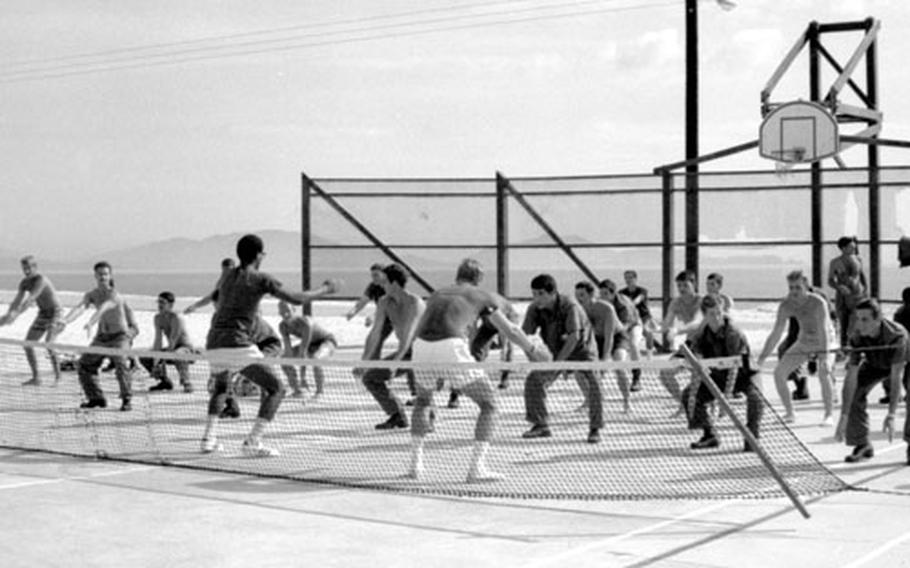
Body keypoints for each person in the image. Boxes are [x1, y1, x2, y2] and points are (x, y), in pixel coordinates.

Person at [406, 258, 550, 482]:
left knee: (423, 402)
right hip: (450, 347)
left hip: (421, 346)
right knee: (489, 404)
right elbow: (510, 330)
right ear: (479, 279)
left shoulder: (437, 294)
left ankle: (415, 465)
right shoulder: (482, 296)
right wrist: (533, 349)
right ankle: (476, 468)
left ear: (458, 275)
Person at [200, 234, 339, 457]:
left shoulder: (226, 276)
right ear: (259, 255)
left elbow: (219, 297)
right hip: (238, 343)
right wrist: (325, 289)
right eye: (263, 253)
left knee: (220, 389)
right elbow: (296, 298)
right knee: (277, 388)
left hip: (213, 342)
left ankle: (208, 440)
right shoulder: (261, 278)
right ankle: (253, 442)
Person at [522, 274, 604, 443]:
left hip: (584, 351)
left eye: (540, 294)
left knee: (595, 384)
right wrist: (536, 359)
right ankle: (540, 425)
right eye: (534, 294)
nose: (536, 298)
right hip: (556, 351)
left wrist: (559, 365)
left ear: (553, 293)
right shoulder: (534, 308)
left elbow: (574, 337)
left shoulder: (570, 305)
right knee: (534, 380)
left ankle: (595, 428)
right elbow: (524, 336)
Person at [680, 295, 763, 451]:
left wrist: (725, 401)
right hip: (718, 376)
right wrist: (694, 392)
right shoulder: (701, 335)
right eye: (712, 314)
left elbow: (734, 367)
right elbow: (697, 364)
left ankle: (752, 437)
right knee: (688, 394)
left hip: (745, 374)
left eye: (719, 312)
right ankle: (710, 435)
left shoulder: (733, 333)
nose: (717, 317)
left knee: (755, 398)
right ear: (705, 315)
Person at [834, 298, 910, 464]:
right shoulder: (857, 336)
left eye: (865, 319)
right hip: (875, 363)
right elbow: (851, 376)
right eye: (858, 319)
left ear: (878, 319)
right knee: (855, 391)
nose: (860, 324)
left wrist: (891, 414)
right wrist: (844, 416)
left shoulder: (897, 336)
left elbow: (896, 376)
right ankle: (862, 444)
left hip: (905, 363)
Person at [757, 270, 837, 424]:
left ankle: (828, 415)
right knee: (779, 373)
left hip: (826, 340)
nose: (794, 292)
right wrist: (761, 359)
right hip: (804, 340)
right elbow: (776, 334)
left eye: (797, 288)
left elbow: (824, 331)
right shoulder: (786, 305)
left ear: (806, 286)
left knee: (823, 373)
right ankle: (790, 413)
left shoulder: (818, 303)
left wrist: (825, 358)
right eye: (791, 288)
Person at [60, 261, 139, 411]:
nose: (103, 276)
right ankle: (96, 398)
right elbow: (80, 307)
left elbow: (104, 307)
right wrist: (65, 321)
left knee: (121, 364)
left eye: (106, 274)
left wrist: (91, 322)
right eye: (100, 274)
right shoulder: (92, 294)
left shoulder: (115, 295)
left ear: (110, 276)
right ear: (95, 275)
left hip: (120, 336)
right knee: (84, 365)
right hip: (102, 337)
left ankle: (126, 399)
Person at [359, 263, 424, 430]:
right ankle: (397, 415)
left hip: (426, 352)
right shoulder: (384, 302)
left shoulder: (415, 302)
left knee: (424, 389)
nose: (380, 285)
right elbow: (375, 333)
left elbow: (409, 335)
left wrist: (397, 361)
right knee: (370, 377)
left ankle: (432, 415)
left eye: (384, 282)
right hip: (408, 353)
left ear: (394, 283)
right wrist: (365, 361)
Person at [0, 256, 63, 385]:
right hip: (43, 314)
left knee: (49, 343)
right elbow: (17, 301)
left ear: (35, 267)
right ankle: (36, 378)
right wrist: (8, 315)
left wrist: (16, 315)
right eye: (24, 268)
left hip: (56, 313)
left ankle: (58, 377)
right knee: (28, 344)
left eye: (29, 268)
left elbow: (30, 300)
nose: (26, 271)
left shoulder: (41, 280)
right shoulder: (24, 283)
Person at [574, 281, 631, 413]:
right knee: (578, 371)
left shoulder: (606, 308)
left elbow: (609, 336)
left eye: (582, 295)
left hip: (617, 336)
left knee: (619, 364)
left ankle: (627, 401)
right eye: (577, 295)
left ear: (592, 294)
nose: (578, 298)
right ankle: (589, 399)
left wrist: (605, 359)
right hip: (597, 339)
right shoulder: (578, 309)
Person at [278, 300, 337, 399]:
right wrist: (287, 361)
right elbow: (288, 352)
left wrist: (303, 377)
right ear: (279, 313)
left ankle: (320, 392)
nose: (286, 313)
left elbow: (303, 352)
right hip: (310, 344)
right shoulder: (283, 326)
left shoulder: (306, 323)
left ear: (294, 310)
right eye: (282, 311)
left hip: (326, 341)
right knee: (284, 360)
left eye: (288, 310)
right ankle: (297, 391)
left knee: (316, 359)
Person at [140, 291, 196, 393]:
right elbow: (158, 340)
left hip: (185, 348)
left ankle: (186, 382)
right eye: (158, 302)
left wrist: (163, 360)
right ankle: (164, 382)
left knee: (177, 354)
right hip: (172, 348)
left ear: (170, 305)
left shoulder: (176, 318)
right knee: (144, 357)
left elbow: (173, 340)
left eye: (162, 302)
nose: (159, 305)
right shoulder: (157, 318)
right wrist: (155, 361)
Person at [599, 279, 643, 392]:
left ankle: (636, 377)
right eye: (601, 293)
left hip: (633, 325)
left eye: (605, 294)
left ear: (613, 293)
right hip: (616, 327)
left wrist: (609, 335)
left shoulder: (623, 304)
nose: (602, 296)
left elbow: (625, 326)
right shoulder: (601, 303)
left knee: (633, 344)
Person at [827, 236, 868, 348]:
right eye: (851, 246)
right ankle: (844, 348)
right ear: (843, 248)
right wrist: (839, 287)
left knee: (856, 323)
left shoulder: (858, 259)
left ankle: (855, 347)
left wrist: (865, 291)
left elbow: (862, 276)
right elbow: (830, 281)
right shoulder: (835, 262)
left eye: (854, 246)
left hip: (858, 296)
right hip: (843, 297)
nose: (853, 248)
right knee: (843, 324)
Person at [659, 270, 703, 353]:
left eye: (685, 285)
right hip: (692, 340)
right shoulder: (676, 302)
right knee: (675, 363)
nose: (681, 289)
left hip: (708, 339)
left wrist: (677, 331)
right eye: (679, 285)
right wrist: (656, 328)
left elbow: (697, 322)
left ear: (694, 285)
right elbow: (667, 323)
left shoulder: (701, 301)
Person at [881, 286, 910, 404]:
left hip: (903, 344)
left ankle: (895, 393)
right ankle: (894, 393)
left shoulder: (900, 312)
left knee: (897, 371)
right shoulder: (900, 313)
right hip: (904, 344)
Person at [619, 269, 658, 353]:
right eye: (626, 278)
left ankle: (649, 355)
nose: (628, 280)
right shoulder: (622, 292)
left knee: (648, 333)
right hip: (630, 317)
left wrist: (628, 303)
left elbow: (637, 300)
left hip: (644, 316)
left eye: (630, 278)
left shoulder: (642, 291)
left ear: (635, 279)